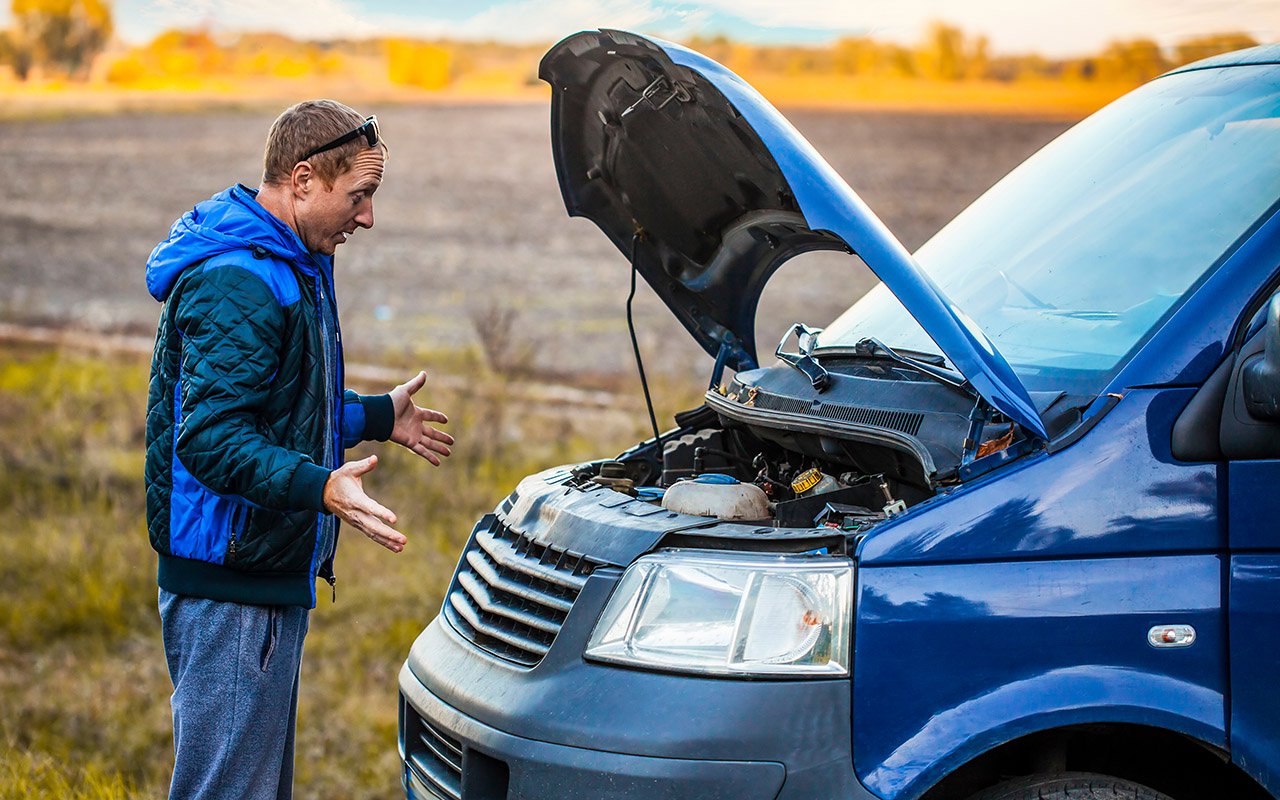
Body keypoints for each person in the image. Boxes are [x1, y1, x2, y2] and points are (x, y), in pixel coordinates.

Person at [143, 99, 454, 800]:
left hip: (258, 576)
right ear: (304, 179)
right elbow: (213, 439)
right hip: (231, 585)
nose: (368, 218)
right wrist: (320, 486)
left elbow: (278, 408)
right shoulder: (241, 280)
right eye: (360, 195)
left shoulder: (285, 263)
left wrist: (376, 416)